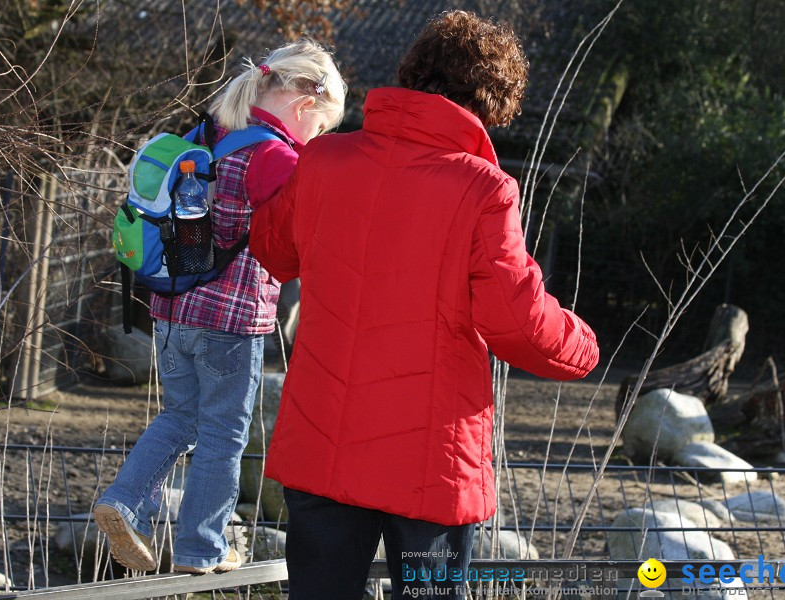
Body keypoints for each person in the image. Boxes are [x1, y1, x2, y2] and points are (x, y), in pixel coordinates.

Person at [249, 11, 599, 600]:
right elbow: (514, 319)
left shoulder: (323, 160)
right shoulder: (484, 188)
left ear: (412, 75)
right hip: (428, 463)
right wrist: (583, 346)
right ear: (491, 103)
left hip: (322, 443)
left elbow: (272, 250)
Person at [93, 39, 346, 575]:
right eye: (320, 128)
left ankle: (122, 499)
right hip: (232, 321)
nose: (316, 139)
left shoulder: (207, 134)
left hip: (169, 312)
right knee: (223, 436)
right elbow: (305, 232)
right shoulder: (275, 156)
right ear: (305, 103)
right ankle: (201, 548)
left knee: (179, 416)